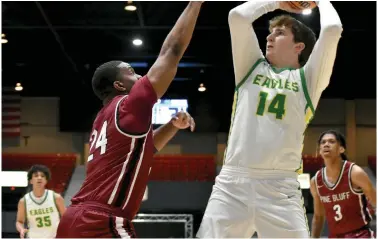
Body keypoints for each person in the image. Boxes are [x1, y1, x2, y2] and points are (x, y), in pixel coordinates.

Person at [197, 1, 343, 238]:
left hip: (280, 187)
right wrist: (276, 2)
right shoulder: (251, 67)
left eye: (280, 33)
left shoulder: (308, 79)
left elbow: (332, 29)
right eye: (270, 32)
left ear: (299, 46)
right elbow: (238, 16)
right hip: (232, 184)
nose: (270, 37)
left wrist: (321, 1)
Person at [56, 2, 202, 238]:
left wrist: (172, 125)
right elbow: (172, 51)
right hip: (100, 222)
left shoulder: (102, 119)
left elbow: (145, 149)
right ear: (119, 85)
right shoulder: (129, 104)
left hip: (74, 220)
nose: (141, 75)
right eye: (132, 71)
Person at [310, 130, 376, 238]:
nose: (326, 144)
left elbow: (375, 201)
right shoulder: (315, 181)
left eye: (331, 141)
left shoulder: (355, 173)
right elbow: (319, 216)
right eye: (323, 142)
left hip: (360, 235)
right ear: (320, 151)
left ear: (341, 149)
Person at [16, 165, 66, 239]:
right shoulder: (24, 201)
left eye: (42, 176)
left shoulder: (56, 198)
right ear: (31, 180)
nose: (39, 178)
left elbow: (66, 219)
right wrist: (21, 229)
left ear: (46, 180)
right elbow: (19, 221)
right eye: (36, 176)